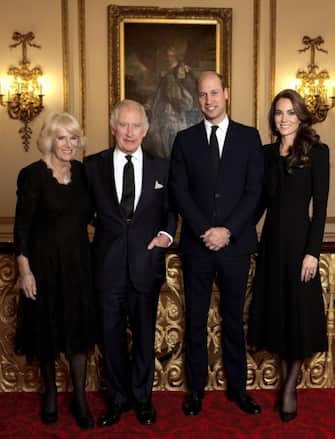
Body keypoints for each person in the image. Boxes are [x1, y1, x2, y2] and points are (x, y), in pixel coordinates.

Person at [169, 71, 263, 416]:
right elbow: (179, 191)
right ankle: (195, 390)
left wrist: (228, 231)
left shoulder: (249, 138)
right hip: (197, 246)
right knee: (194, 319)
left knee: (233, 319)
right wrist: (204, 230)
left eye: (214, 93)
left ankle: (238, 389)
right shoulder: (185, 140)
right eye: (202, 95)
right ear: (198, 99)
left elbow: (255, 192)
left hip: (235, 247)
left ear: (226, 92)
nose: (209, 100)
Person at [83, 99, 177, 426]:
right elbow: (79, 210)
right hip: (107, 268)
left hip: (144, 266)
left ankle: (142, 399)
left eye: (136, 125)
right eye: (123, 125)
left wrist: (166, 234)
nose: (129, 132)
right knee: (110, 340)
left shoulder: (161, 167)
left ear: (146, 130)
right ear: (113, 128)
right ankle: (118, 399)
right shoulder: (92, 166)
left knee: (143, 337)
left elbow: (170, 210)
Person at [247, 89, 329, 422]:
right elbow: (258, 203)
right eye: (279, 113)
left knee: (297, 315)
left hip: (300, 247)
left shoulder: (318, 152)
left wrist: (312, 253)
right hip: (272, 245)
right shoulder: (265, 153)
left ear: (301, 116)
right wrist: (232, 232)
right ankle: (285, 380)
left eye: (290, 113)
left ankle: (290, 386)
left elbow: (320, 208)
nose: (284, 119)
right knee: (278, 314)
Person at [14, 112, 96, 429]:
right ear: (50, 140)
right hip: (44, 267)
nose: (68, 144)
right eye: (61, 137)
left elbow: (95, 216)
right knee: (46, 331)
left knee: (77, 332)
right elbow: (22, 228)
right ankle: (49, 392)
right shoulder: (32, 175)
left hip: (78, 266)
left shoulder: (84, 174)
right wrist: (25, 271)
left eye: (73, 137)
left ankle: (79, 397)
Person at [145, 46, 201, 158]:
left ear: (176, 56)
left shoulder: (182, 71)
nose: (168, 58)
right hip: (164, 109)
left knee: (174, 137)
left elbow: (187, 91)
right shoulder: (167, 73)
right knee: (162, 137)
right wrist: (149, 104)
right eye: (167, 55)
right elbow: (159, 93)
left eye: (171, 56)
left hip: (175, 110)